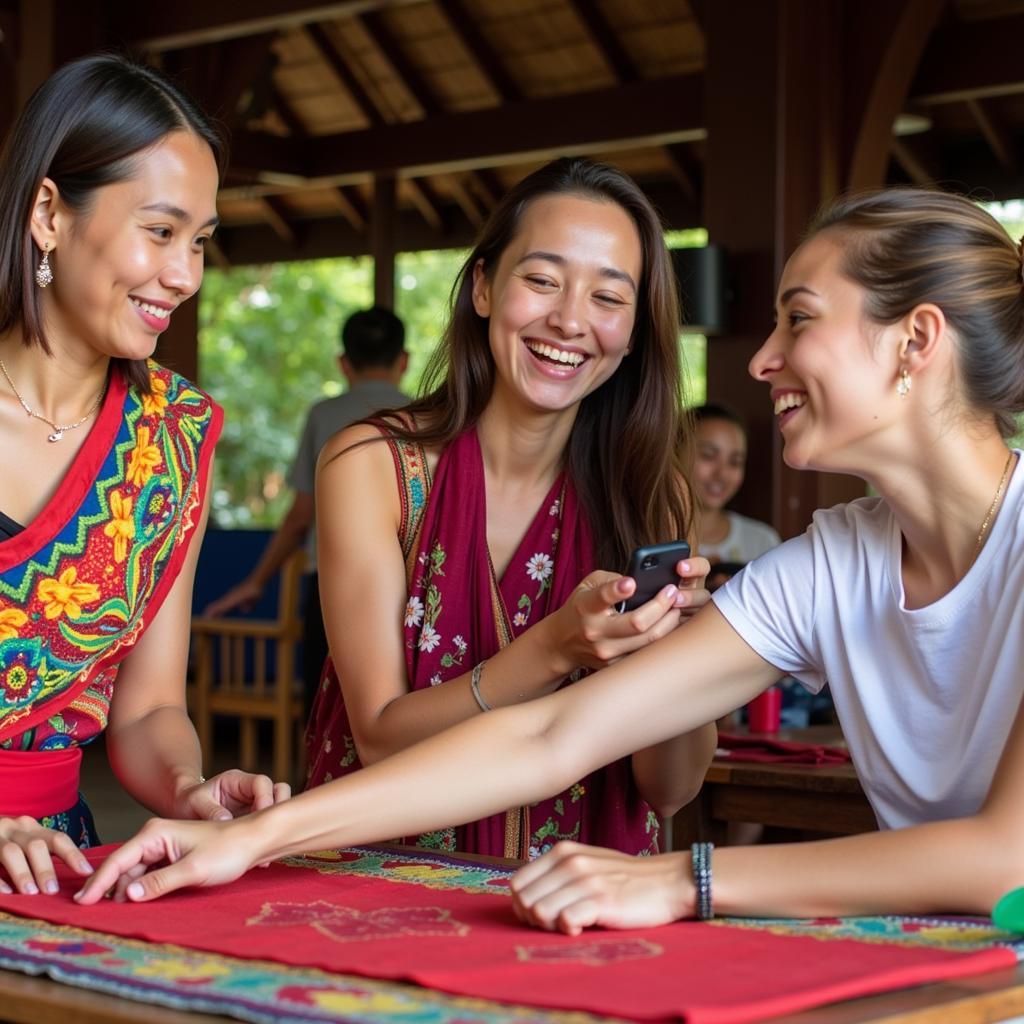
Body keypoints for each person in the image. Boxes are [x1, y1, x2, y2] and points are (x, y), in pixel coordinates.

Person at [89, 184, 1024, 925]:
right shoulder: (838, 560)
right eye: (544, 280)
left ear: (917, 342)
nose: (759, 360)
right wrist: (257, 839)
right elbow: (552, 736)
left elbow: (1002, 861)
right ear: (486, 286)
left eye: (799, 320)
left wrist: (678, 879)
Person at [301, 156, 717, 860]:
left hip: (581, 900)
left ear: (639, 327)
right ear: (485, 287)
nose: (570, 320)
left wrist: (677, 658)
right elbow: (378, 736)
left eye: (609, 298)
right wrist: (557, 648)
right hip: (386, 883)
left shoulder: (653, 491)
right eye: (543, 281)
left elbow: (670, 791)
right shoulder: (375, 467)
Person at [0, 54, 290, 898]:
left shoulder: (174, 438)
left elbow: (148, 710)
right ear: (50, 213)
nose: (185, 275)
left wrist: (187, 788)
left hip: (51, 874)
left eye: (199, 242)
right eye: (160, 233)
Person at [203, 307, 408, 713]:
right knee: (401, 703)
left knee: (327, 703)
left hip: (330, 586)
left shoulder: (325, 415)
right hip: (410, 586)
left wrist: (257, 581)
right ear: (404, 360)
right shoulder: (428, 415)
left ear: (343, 363)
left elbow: (300, 516)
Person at [691, 403, 780, 573]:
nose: (722, 474)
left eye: (735, 462)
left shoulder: (762, 542)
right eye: (708, 455)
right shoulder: (647, 536)